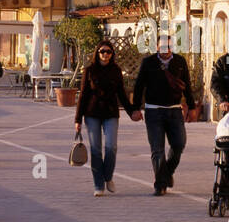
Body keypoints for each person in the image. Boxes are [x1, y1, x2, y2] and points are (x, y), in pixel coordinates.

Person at [73, 40, 138, 197]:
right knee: (96, 151)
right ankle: (98, 185)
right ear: (97, 53)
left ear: (112, 54)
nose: (105, 54)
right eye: (103, 51)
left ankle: (108, 176)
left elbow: (121, 94)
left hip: (110, 113)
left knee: (111, 147)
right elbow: (83, 95)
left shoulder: (116, 70)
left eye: (109, 51)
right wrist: (78, 119)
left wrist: (132, 112)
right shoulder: (89, 70)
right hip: (92, 114)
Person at [132, 34, 194, 196]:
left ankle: (166, 173)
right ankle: (160, 184)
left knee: (179, 144)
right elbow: (139, 86)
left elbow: (187, 85)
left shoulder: (179, 62)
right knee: (157, 149)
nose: (166, 49)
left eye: (169, 46)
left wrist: (192, 107)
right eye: (162, 46)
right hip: (153, 111)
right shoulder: (149, 63)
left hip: (174, 110)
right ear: (157, 47)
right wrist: (135, 108)